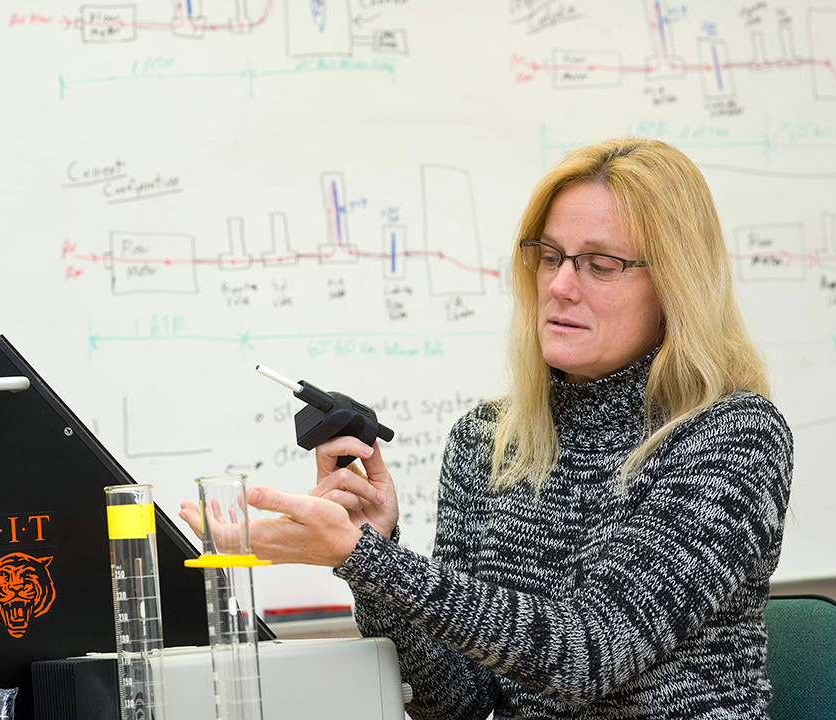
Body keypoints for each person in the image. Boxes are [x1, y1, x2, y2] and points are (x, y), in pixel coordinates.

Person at [180, 137, 793, 719]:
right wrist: (374, 554)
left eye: (600, 265)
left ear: (677, 285)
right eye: (549, 256)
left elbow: (586, 656)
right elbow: (460, 706)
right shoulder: (488, 440)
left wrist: (365, 559)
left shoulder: (734, 438)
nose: (559, 285)